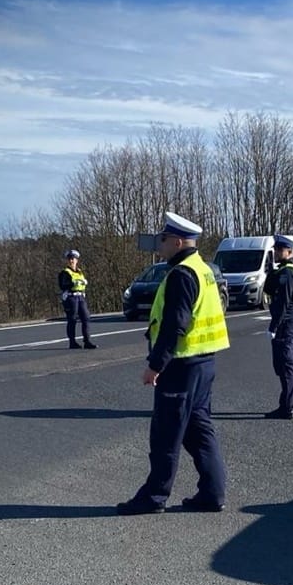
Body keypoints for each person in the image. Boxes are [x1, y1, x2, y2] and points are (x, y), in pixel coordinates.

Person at [116, 212, 231, 515]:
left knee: (166, 434)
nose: (160, 244)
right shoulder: (203, 269)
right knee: (199, 430)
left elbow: (174, 326)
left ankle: (154, 497)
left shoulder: (181, 274)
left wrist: (155, 365)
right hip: (204, 362)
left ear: (178, 242)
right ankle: (213, 493)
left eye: (164, 240)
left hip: (181, 365)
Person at [264, 234, 293, 419]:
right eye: (275, 250)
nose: (276, 253)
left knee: (286, 365)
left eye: (279, 250)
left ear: (289, 252)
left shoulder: (287, 273)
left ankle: (286, 407)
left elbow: (282, 302)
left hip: (286, 322)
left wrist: (273, 326)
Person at [59, 250, 97, 349]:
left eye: (73, 259)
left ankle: (87, 341)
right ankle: (72, 342)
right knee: (72, 319)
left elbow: (82, 283)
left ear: (77, 260)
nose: (71, 261)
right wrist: (73, 284)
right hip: (71, 297)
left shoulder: (79, 271)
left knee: (86, 318)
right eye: (69, 259)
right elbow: (62, 285)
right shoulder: (65, 272)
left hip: (80, 297)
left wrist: (84, 283)